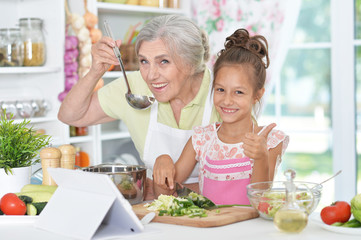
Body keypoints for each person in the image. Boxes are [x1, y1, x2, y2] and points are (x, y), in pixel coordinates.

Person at [57, 15, 221, 200]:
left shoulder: (224, 93)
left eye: (164, 61)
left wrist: (157, 189)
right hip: (158, 209)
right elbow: (69, 116)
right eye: (144, 61)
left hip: (218, 212)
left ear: (191, 63)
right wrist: (95, 71)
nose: (151, 75)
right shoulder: (135, 86)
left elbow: (245, 177)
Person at [153, 29, 289, 205]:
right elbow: (165, 194)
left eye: (238, 92)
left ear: (258, 94)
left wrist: (261, 157)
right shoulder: (202, 139)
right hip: (209, 230)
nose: (227, 100)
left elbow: (260, 202)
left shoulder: (269, 140)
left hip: (251, 231)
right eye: (220, 90)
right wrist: (162, 161)